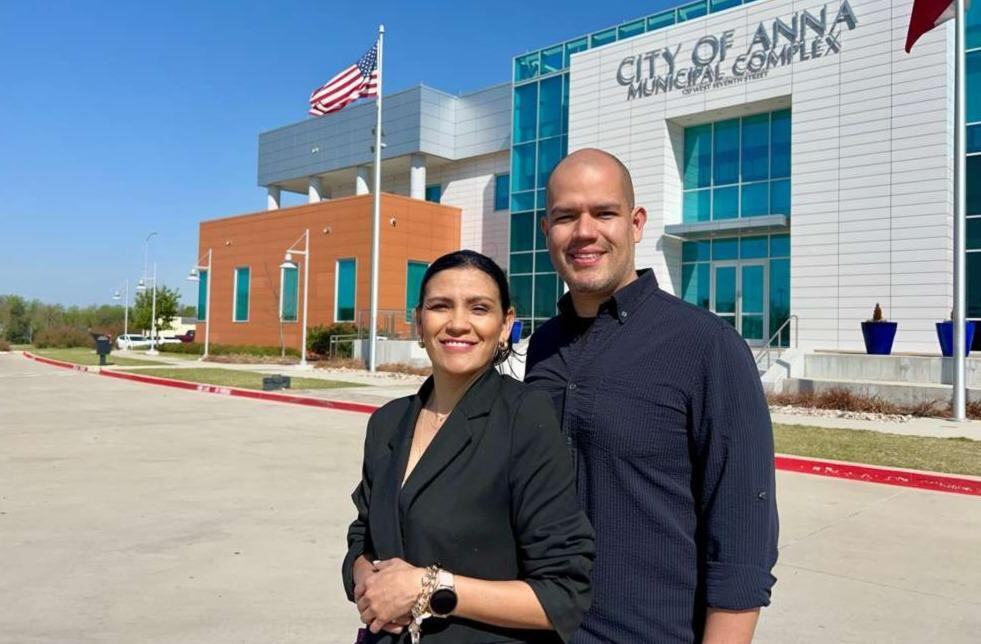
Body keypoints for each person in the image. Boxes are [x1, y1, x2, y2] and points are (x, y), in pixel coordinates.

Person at [525, 149, 779, 644]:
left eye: (604, 213)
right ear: (546, 231)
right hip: (538, 628)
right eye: (565, 216)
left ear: (636, 223)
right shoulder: (544, 347)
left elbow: (743, 533)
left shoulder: (705, 346)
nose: (584, 232)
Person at [342, 250, 595, 643]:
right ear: (419, 321)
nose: (458, 324)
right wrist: (363, 575)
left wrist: (429, 588)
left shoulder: (524, 418)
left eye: (479, 308)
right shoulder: (388, 422)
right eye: (441, 306)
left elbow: (562, 595)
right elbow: (363, 534)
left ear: (505, 323)